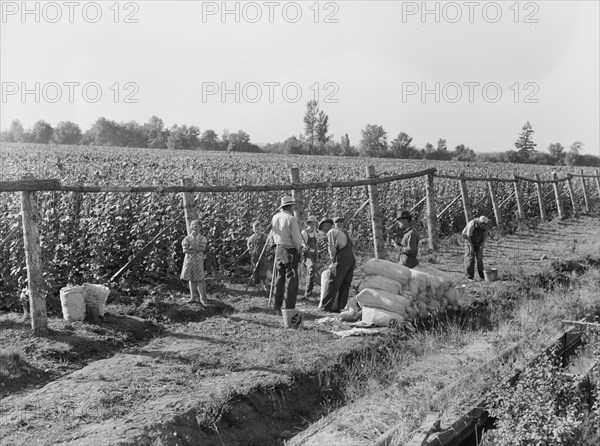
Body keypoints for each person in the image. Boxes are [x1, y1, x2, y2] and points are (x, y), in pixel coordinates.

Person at [271, 196, 304, 315]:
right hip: (289, 250)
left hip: (278, 248)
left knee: (280, 278)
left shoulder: (275, 218)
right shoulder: (291, 219)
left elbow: (273, 234)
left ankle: (277, 306)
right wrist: (299, 250)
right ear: (289, 207)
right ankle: (289, 307)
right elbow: (296, 238)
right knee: (292, 279)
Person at [319, 217, 356, 313]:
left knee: (333, 282)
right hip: (351, 259)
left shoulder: (331, 232)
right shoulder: (345, 232)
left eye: (323, 227)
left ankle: (325, 307)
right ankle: (340, 307)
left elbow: (332, 249)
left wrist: (332, 262)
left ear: (327, 225)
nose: (323, 230)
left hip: (342, 258)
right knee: (345, 283)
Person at [180, 219, 209, 305]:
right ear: (191, 227)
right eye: (194, 226)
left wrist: (192, 248)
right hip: (189, 261)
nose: (196, 228)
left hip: (199, 261)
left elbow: (202, 249)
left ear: (200, 228)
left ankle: (202, 298)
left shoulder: (203, 238)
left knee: (199, 278)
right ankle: (192, 297)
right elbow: (185, 250)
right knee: (191, 278)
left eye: (198, 226)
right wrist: (196, 249)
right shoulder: (187, 238)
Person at [462, 215, 491, 281]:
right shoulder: (472, 224)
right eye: (483, 224)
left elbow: (485, 235)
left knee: (479, 258)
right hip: (469, 240)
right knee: (470, 257)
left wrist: (482, 245)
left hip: (479, 241)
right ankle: (470, 277)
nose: (484, 226)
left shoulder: (486, 225)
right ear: (480, 223)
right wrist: (471, 247)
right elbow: (468, 236)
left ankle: (482, 276)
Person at [247, 220, 269, 293]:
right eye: (255, 229)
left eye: (258, 229)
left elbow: (269, 244)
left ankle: (266, 287)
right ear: (253, 229)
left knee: (262, 273)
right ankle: (259, 288)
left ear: (261, 228)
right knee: (255, 273)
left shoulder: (264, 236)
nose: (257, 230)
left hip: (262, 257)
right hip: (254, 257)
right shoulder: (251, 237)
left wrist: (267, 246)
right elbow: (249, 245)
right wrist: (250, 249)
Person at [301, 215, 319, 299]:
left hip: (314, 255)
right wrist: (305, 246)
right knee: (310, 270)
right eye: (311, 223)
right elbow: (302, 243)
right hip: (307, 255)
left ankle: (310, 292)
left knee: (313, 272)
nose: (313, 225)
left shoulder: (314, 232)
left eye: (314, 223)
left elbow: (316, 245)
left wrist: (316, 255)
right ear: (308, 224)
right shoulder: (304, 232)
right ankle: (307, 294)